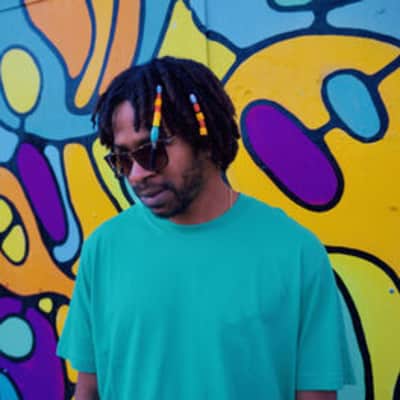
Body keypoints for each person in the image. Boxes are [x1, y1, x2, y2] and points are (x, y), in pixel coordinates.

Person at [57, 56, 354, 400]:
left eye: (152, 151)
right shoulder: (104, 249)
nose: (137, 174)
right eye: (122, 159)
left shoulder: (295, 252)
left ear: (206, 139)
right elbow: (88, 390)